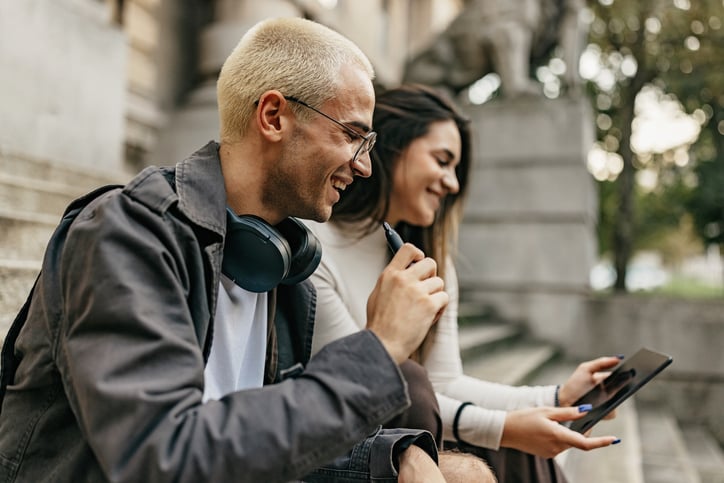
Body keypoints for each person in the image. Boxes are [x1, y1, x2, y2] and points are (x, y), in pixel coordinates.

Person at [0, 19, 496, 483]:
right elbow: (163, 457)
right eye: (351, 135)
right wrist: (379, 348)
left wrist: (392, 458)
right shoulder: (127, 235)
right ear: (274, 116)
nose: (364, 167)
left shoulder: (283, 265)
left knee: (463, 473)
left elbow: (259, 440)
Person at [306, 84, 623, 482]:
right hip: (355, 448)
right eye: (442, 161)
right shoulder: (317, 249)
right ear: (388, 148)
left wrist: (559, 399)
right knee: (414, 381)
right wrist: (504, 427)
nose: (452, 183)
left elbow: (447, 383)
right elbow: (371, 395)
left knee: (517, 453)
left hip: (411, 433)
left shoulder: (428, 259)